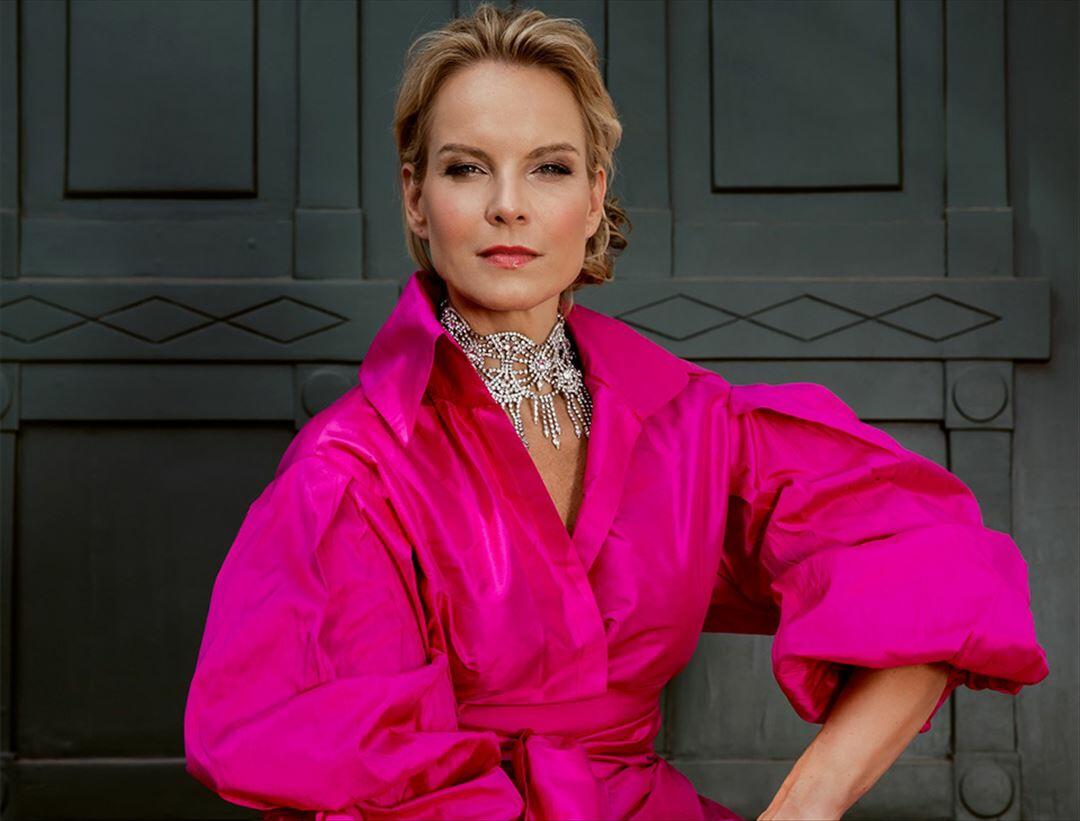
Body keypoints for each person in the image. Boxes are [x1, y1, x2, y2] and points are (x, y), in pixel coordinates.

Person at [182, 4, 1050, 820]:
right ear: (415, 196)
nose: (508, 204)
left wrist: (806, 802)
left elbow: (935, 562)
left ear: (594, 196)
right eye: (467, 168)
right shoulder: (350, 473)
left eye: (549, 167)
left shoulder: (685, 419)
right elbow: (360, 768)